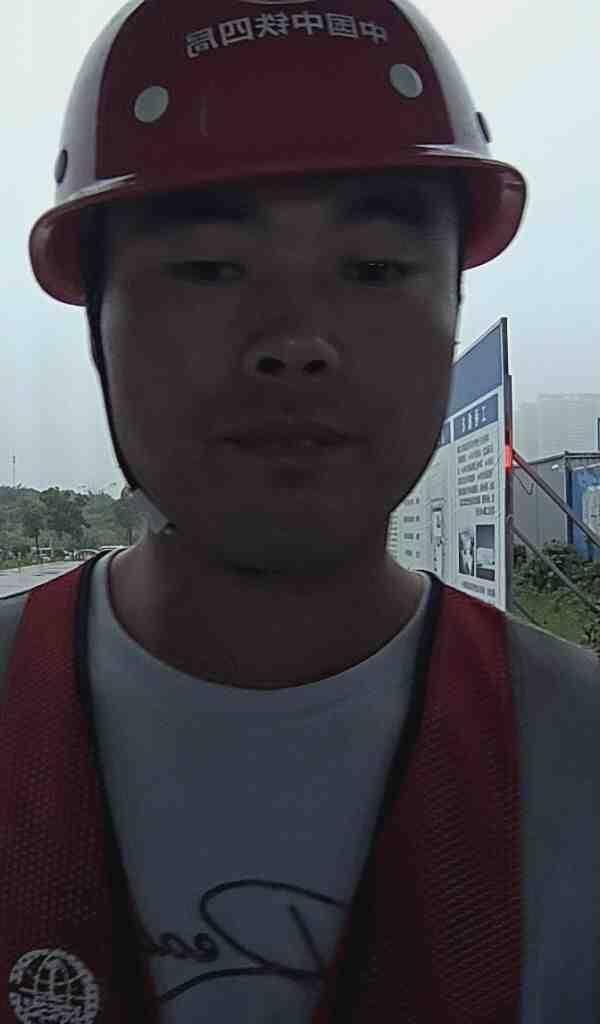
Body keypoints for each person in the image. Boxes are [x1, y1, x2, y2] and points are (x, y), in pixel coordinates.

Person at [1, 1, 598, 1021]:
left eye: (373, 269)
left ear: (452, 308)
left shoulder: (575, 757)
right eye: (207, 267)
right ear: (98, 318)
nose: (295, 342)